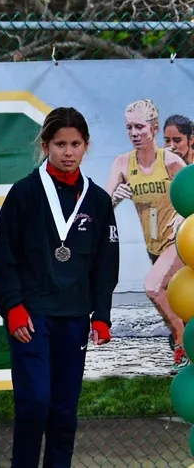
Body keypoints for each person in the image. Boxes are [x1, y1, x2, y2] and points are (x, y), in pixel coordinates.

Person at [0, 107, 119, 468]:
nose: (68, 151)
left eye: (75, 144)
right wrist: (13, 307)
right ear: (45, 145)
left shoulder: (98, 201)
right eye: (60, 144)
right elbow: (3, 258)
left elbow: (106, 265)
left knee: (63, 412)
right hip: (31, 318)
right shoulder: (25, 194)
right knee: (34, 405)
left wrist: (101, 315)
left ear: (86, 146)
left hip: (74, 318)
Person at [105, 99, 189, 373]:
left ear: (153, 128)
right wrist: (114, 198)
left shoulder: (172, 161)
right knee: (180, 300)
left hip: (179, 244)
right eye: (129, 127)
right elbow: (102, 205)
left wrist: (182, 215)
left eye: (139, 127)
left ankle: (180, 340)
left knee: (153, 287)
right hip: (154, 248)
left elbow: (191, 196)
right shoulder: (122, 164)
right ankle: (183, 340)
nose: (134, 133)